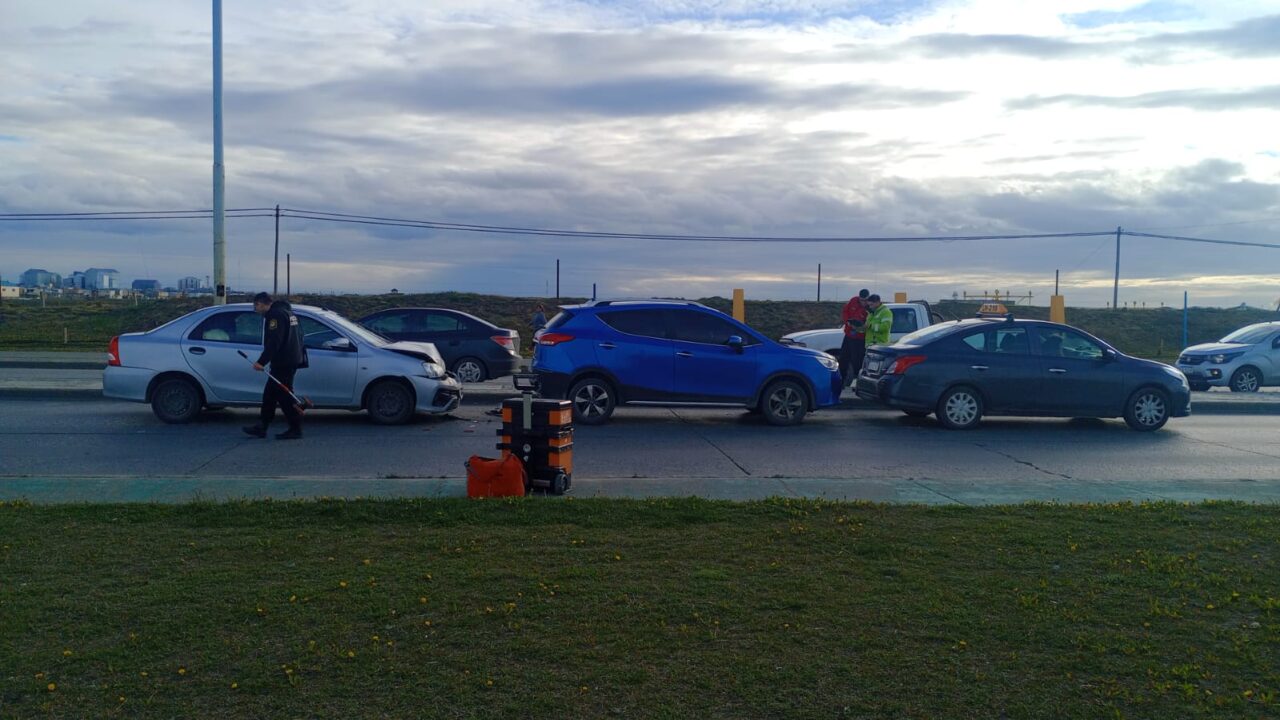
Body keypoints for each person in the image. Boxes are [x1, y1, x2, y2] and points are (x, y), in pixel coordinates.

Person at [242, 292, 308, 440]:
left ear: (262, 303)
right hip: (290, 359)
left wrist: (261, 362)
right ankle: (262, 426)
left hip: (283, 361)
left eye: (256, 306)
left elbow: (274, 342)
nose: (256, 309)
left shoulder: (275, 316)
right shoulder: (288, 313)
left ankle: (295, 428)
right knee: (269, 395)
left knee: (284, 395)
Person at [838, 289, 870, 387]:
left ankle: (859, 383)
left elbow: (870, 323)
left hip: (860, 338)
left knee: (857, 361)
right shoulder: (853, 301)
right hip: (849, 335)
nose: (863, 302)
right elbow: (845, 311)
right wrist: (847, 321)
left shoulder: (870, 308)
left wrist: (860, 326)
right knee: (843, 358)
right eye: (861, 300)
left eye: (865, 300)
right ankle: (840, 381)